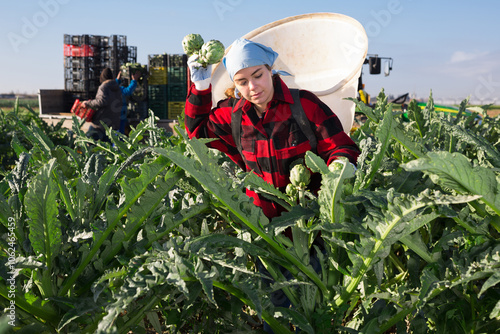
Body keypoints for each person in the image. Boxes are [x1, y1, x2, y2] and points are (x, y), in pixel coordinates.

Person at [185, 38, 360, 332]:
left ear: (271, 71)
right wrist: (200, 88)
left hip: (313, 229)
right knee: (275, 315)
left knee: (315, 311)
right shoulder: (233, 114)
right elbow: (197, 133)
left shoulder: (304, 105)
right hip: (268, 234)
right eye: (242, 81)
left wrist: (339, 167)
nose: (252, 87)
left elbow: (340, 145)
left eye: (257, 76)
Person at [81, 67, 122, 141]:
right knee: (106, 148)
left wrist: (88, 103)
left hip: (100, 123)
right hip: (113, 123)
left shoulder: (104, 87)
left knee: (89, 142)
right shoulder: (117, 88)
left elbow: (102, 101)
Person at [116, 70, 141, 134]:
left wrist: (117, 80)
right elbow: (128, 91)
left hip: (114, 115)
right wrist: (134, 80)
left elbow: (115, 85)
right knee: (119, 134)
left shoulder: (110, 88)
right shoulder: (119, 90)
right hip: (120, 114)